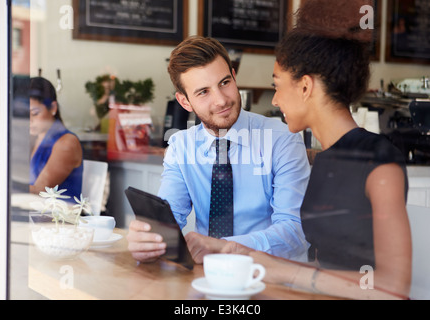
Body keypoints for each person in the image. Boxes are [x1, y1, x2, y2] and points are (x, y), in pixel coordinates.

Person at [222, 0, 412, 299]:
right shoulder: (326, 158)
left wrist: (284, 270)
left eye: (277, 85)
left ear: (305, 86)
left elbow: (394, 285)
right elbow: (326, 263)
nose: (275, 100)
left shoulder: (377, 161)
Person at [127, 36, 311, 263]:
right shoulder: (181, 146)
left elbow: (295, 231)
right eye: (203, 92)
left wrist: (228, 247)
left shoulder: (282, 140)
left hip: (272, 276)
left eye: (225, 83)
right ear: (184, 102)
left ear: (234, 77)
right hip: (209, 275)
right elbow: (168, 219)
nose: (221, 100)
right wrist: (149, 239)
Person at [29, 77, 84, 199]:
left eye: (34, 113)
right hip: (32, 211)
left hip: (59, 216)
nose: (29, 120)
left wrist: (2, 184)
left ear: (53, 108)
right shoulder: (34, 139)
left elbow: (40, 191)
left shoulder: (67, 143)